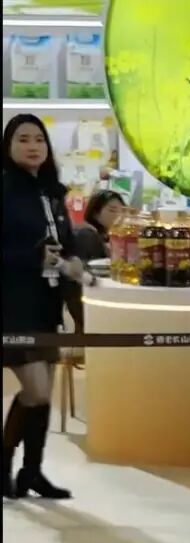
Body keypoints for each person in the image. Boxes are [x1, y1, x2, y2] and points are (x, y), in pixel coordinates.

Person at [2, 114, 88, 500]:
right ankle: (4, 464)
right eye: (22, 139)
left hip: (46, 302)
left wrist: (73, 260)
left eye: (39, 139)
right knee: (34, 391)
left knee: (44, 395)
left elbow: (64, 241)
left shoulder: (53, 192)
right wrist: (34, 258)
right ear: (8, 145)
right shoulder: (6, 189)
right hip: (13, 303)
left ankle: (32, 472)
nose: (32, 146)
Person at [66, 190, 126, 332]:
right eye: (112, 210)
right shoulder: (86, 234)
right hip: (87, 303)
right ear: (95, 213)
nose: (119, 215)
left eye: (122, 211)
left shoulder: (105, 236)